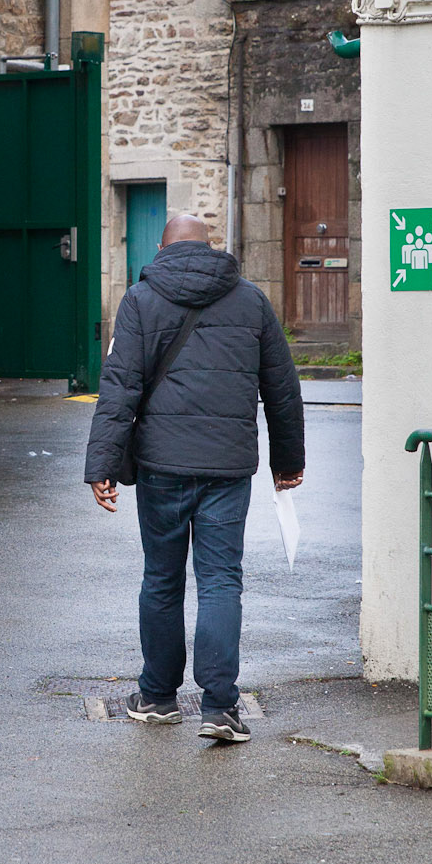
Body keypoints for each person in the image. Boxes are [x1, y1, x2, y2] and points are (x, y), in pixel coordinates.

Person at [84, 214, 304, 743]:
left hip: (161, 465)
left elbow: (119, 389)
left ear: (163, 247)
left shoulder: (141, 299)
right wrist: (287, 462)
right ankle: (221, 708)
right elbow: (282, 387)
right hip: (227, 468)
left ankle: (158, 698)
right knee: (221, 580)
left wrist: (102, 466)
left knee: (162, 579)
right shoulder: (250, 300)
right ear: (210, 247)